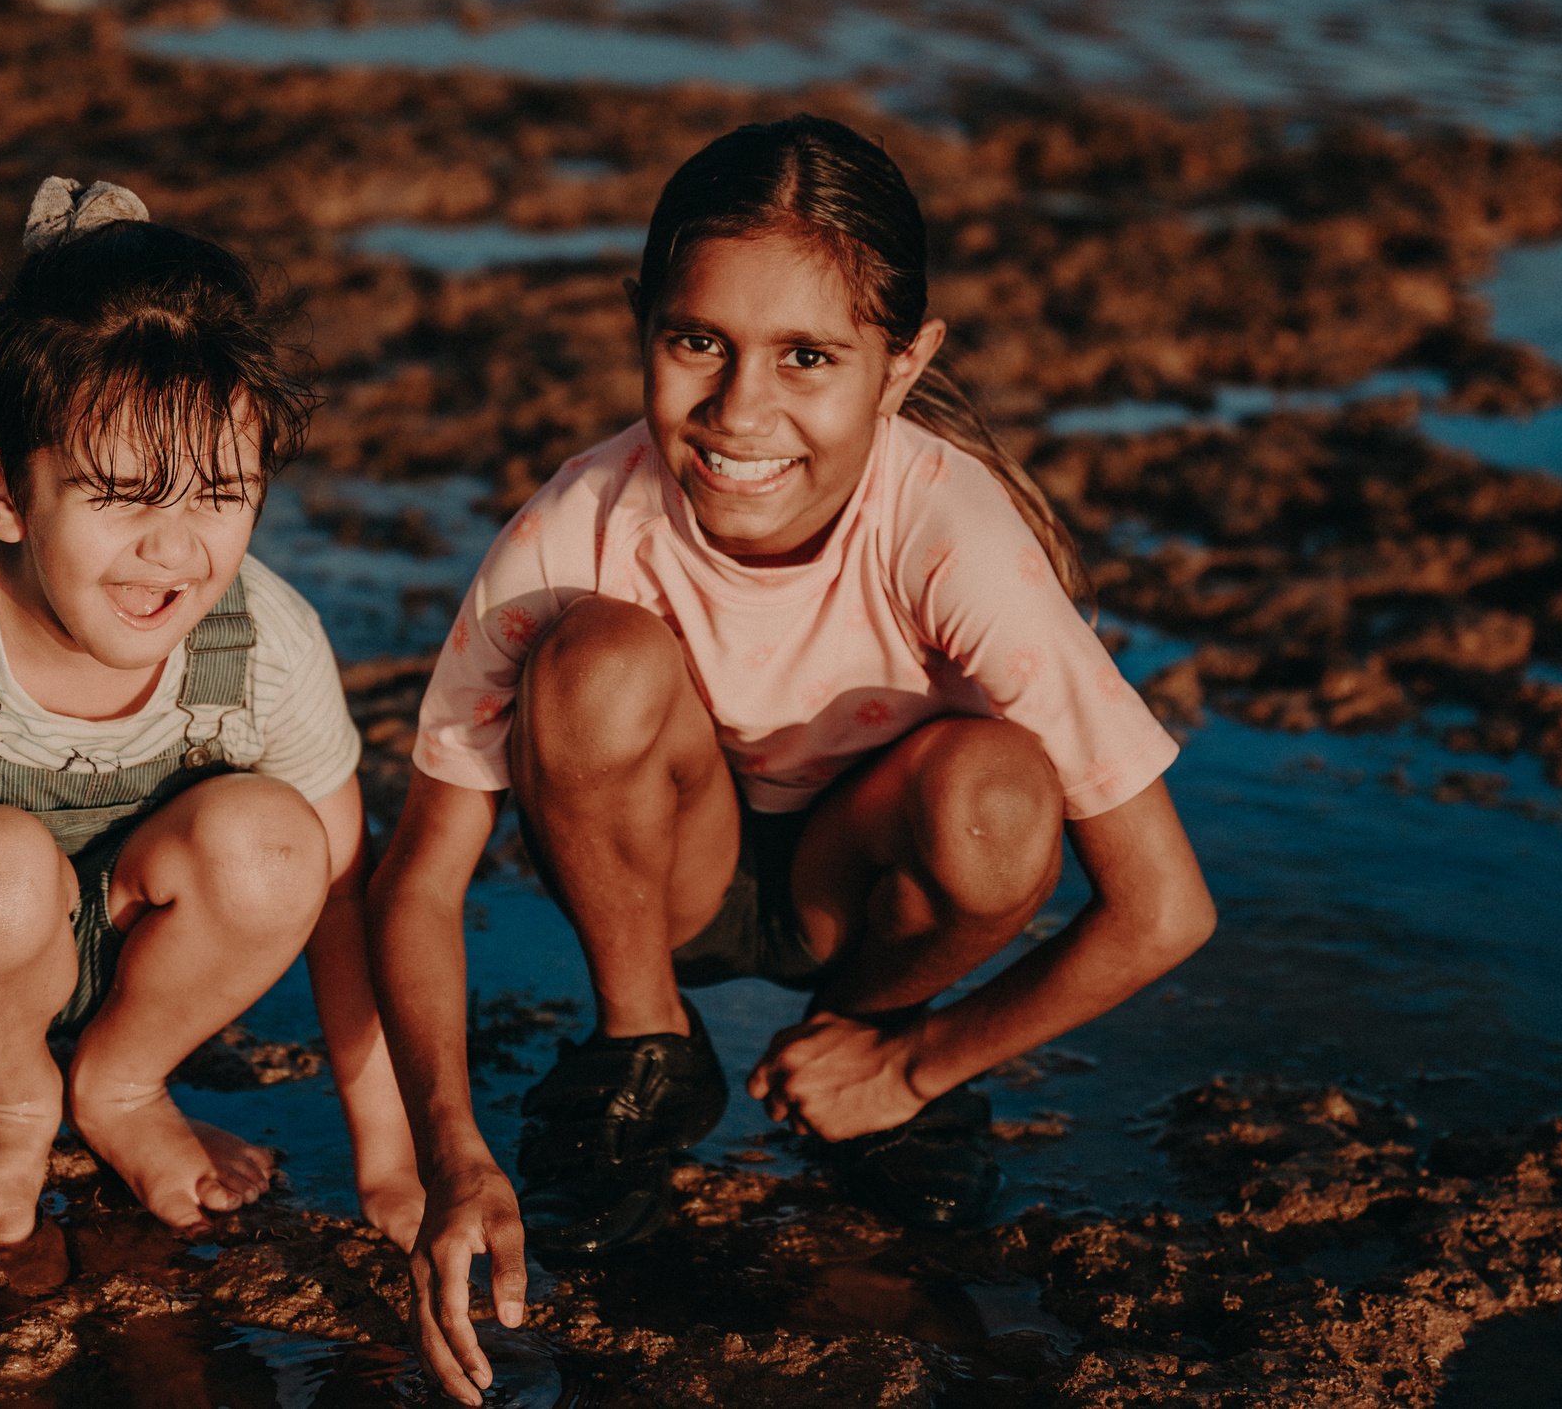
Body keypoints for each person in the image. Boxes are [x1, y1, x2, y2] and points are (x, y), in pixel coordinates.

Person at [368, 115, 1216, 1402]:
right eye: (695, 340)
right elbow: (423, 875)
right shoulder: (577, 524)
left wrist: (914, 1066)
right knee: (592, 660)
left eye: (807, 356)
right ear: (637, 321)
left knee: (996, 789)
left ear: (901, 361)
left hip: (865, 902)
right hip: (661, 881)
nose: (738, 408)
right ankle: (644, 1043)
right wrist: (448, 1154)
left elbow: (1162, 907)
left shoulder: (951, 535)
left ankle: (859, 1040)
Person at [0, 177, 420, 1302]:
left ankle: (121, 1086)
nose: (172, 551)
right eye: (117, 493)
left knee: (277, 840)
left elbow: (342, 899)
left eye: (219, 492)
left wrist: (393, 1157)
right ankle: (10, 1106)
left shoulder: (267, 641)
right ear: (1, 486)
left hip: (131, 963)